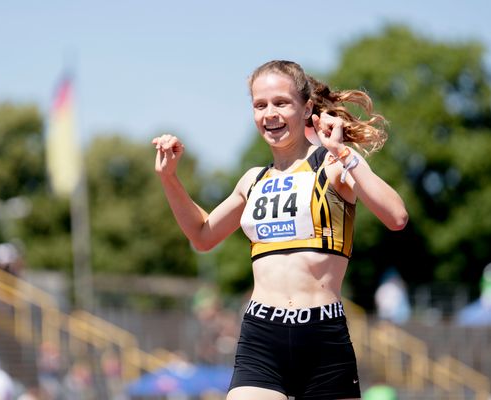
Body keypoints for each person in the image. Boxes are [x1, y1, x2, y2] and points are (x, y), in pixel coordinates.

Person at [152, 60, 408, 400]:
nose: (269, 113)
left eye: (281, 103)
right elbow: (201, 236)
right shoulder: (253, 180)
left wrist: (345, 153)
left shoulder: (332, 166)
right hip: (262, 334)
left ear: (307, 109)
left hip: (322, 335)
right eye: (260, 105)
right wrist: (170, 179)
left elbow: (396, 216)